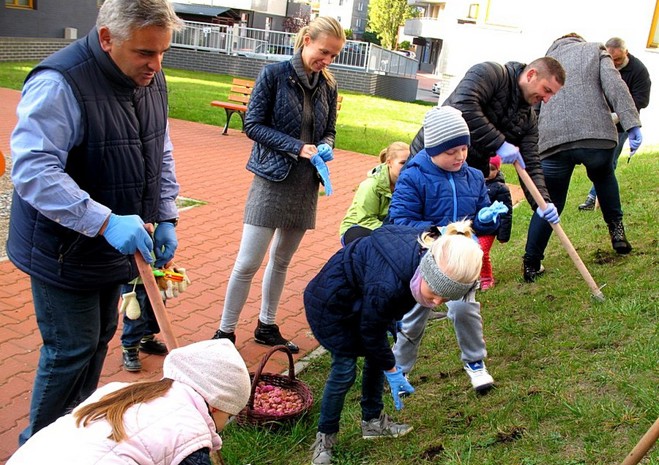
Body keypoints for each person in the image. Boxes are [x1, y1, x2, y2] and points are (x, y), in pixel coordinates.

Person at [6, 0, 183, 445]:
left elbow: (159, 147)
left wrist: (165, 214)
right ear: (107, 38)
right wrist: (104, 222)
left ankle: (70, 436)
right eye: (145, 52)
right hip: (63, 248)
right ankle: (37, 446)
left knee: (100, 336)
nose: (156, 64)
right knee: (71, 348)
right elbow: (33, 170)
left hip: (111, 244)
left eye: (163, 52)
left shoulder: (149, 78)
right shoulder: (60, 83)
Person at [210, 16, 346, 353]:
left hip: (305, 184)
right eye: (324, 51)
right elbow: (253, 125)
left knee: (282, 260)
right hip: (271, 179)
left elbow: (330, 130)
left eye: (333, 55)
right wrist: (296, 147)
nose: (327, 60)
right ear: (307, 40)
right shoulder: (274, 75)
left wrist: (325, 145)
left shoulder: (328, 85)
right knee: (248, 262)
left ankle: (266, 325)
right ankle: (225, 332)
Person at [305, 220, 483, 465]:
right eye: (434, 294)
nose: (437, 303)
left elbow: (376, 322)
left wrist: (385, 357)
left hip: (365, 299)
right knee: (344, 372)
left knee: (376, 359)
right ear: (426, 271)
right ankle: (325, 438)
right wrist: (391, 368)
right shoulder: (389, 284)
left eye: (445, 299)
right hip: (333, 306)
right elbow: (371, 330)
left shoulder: (424, 256)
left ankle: (372, 422)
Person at [388, 106, 506, 392]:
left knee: (465, 310)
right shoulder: (413, 177)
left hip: (460, 261)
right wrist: (439, 231)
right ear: (432, 150)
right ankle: (399, 370)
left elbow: (478, 222)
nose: (460, 156)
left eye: (464, 148)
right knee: (414, 317)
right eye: (451, 151)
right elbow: (400, 221)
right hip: (424, 260)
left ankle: (475, 363)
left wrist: (485, 219)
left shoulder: (473, 177)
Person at [7, 339, 251, 465]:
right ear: (216, 405)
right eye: (229, 416)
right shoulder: (190, 435)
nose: (225, 424)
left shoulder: (120, 390)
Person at [525, 33, 643, 278]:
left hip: (553, 142)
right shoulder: (594, 50)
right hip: (595, 136)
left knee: (550, 202)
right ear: (578, 40)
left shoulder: (544, 63)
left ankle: (531, 263)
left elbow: (533, 106)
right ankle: (617, 234)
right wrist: (632, 125)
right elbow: (615, 87)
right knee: (604, 178)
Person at [578, 37, 651, 211]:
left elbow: (641, 99)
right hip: (599, 120)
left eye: (618, 59)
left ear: (626, 53)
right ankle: (596, 196)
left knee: (609, 160)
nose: (614, 63)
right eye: (611, 59)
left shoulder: (639, 71)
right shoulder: (601, 65)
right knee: (598, 159)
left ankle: (593, 198)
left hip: (621, 124)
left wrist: (618, 115)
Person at [339, 141, 409, 245]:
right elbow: (365, 220)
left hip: (385, 229)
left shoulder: (407, 183)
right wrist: (394, 233)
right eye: (402, 163)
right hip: (357, 228)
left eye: (409, 162)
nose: (407, 167)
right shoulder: (371, 185)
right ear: (389, 162)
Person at [478, 155, 513, 290]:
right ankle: (472, 277)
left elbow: (506, 213)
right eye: (485, 168)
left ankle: (486, 278)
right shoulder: (473, 183)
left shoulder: (500, 188)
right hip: (473, 224)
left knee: (481, 251)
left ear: (498, 170)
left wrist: (503, 235)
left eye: (492, 169)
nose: (488, 172)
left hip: (489, 227)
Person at [119, 282, 169, 372]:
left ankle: (146, 338)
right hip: (134, 280)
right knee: (136, 313)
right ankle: (130, 348)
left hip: (156, 276)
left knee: (155, 308)